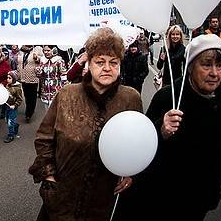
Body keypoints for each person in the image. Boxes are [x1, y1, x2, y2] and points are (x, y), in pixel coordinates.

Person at [29, 27, 142, 220]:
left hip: (104, 197)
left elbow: (137, 144)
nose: (107, 68)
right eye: (100, 62)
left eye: (113, 62)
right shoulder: (67, 94)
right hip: (63, 194)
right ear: (89, 63)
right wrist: (49, 175)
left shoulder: (130, 98)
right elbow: (44, 138)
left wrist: (131, 174)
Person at [119, 34, 221, 221]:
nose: (215, 73)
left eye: (219, 65)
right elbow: (141, 145)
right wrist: (161, 130)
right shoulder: (166, 98)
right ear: (190, 67)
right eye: (206, 65)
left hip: (198, 201)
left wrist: (214, 190)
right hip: (160, 198)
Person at [16, 45, 41, 122]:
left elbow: (42, 60)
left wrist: (37, 58)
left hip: (33, 77)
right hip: (23, 77)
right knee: (26, 96)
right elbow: (19, 63)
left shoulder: (37, 49)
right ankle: (28, 109)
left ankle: (29, 113)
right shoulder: (20, 51)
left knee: (32, 97)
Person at [4, 70, 23, 143]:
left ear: (14, 79)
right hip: (7, 106)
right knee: (7, 120)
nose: (7, 79)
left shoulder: (17, 88)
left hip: (13, 108)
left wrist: (15, 105)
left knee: (10, 122)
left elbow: (20, 99)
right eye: (7, 77)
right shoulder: (7, 86)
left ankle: (10, 135)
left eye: (10, 78)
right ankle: (15, 125)